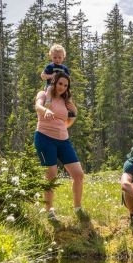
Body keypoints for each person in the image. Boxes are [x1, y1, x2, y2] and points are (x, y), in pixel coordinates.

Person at [34, 71, 87, 222]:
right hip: (44, 138)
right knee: (51, 175)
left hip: (63, 140)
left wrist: (72, 116)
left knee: (78, 175)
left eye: (65, 85)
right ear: (54, 82)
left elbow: (69, 121)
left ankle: (78, 208)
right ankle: (49, 210)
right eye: (60, 83)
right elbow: (37, 106)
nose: (62, 87)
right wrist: (45, 110)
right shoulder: (43, 94)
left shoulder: (65, 101)